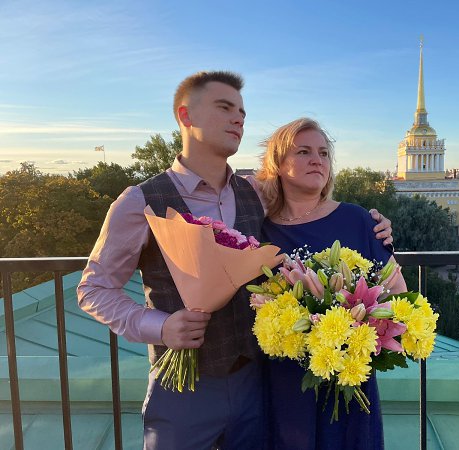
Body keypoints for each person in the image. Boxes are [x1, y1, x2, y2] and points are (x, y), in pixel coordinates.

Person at [77, 71, 393, 450]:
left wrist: (375, 225)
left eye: (242, 112)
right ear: (185, 116)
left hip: (256, 385)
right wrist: (160, 327)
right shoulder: (139, 200)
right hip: (184, 388)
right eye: (224, 108)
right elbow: (93, 289)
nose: (238, 119)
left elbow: (306, 209)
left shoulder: (254, 194)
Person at [255, 117, 408, 450]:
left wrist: (358, 333)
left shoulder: (359, 219)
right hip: (284, 383)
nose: (317, 160)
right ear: (278, 163)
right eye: (304, 152)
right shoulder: (259, 230)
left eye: (324, 153)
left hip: (348, 378)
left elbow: (399, 294)